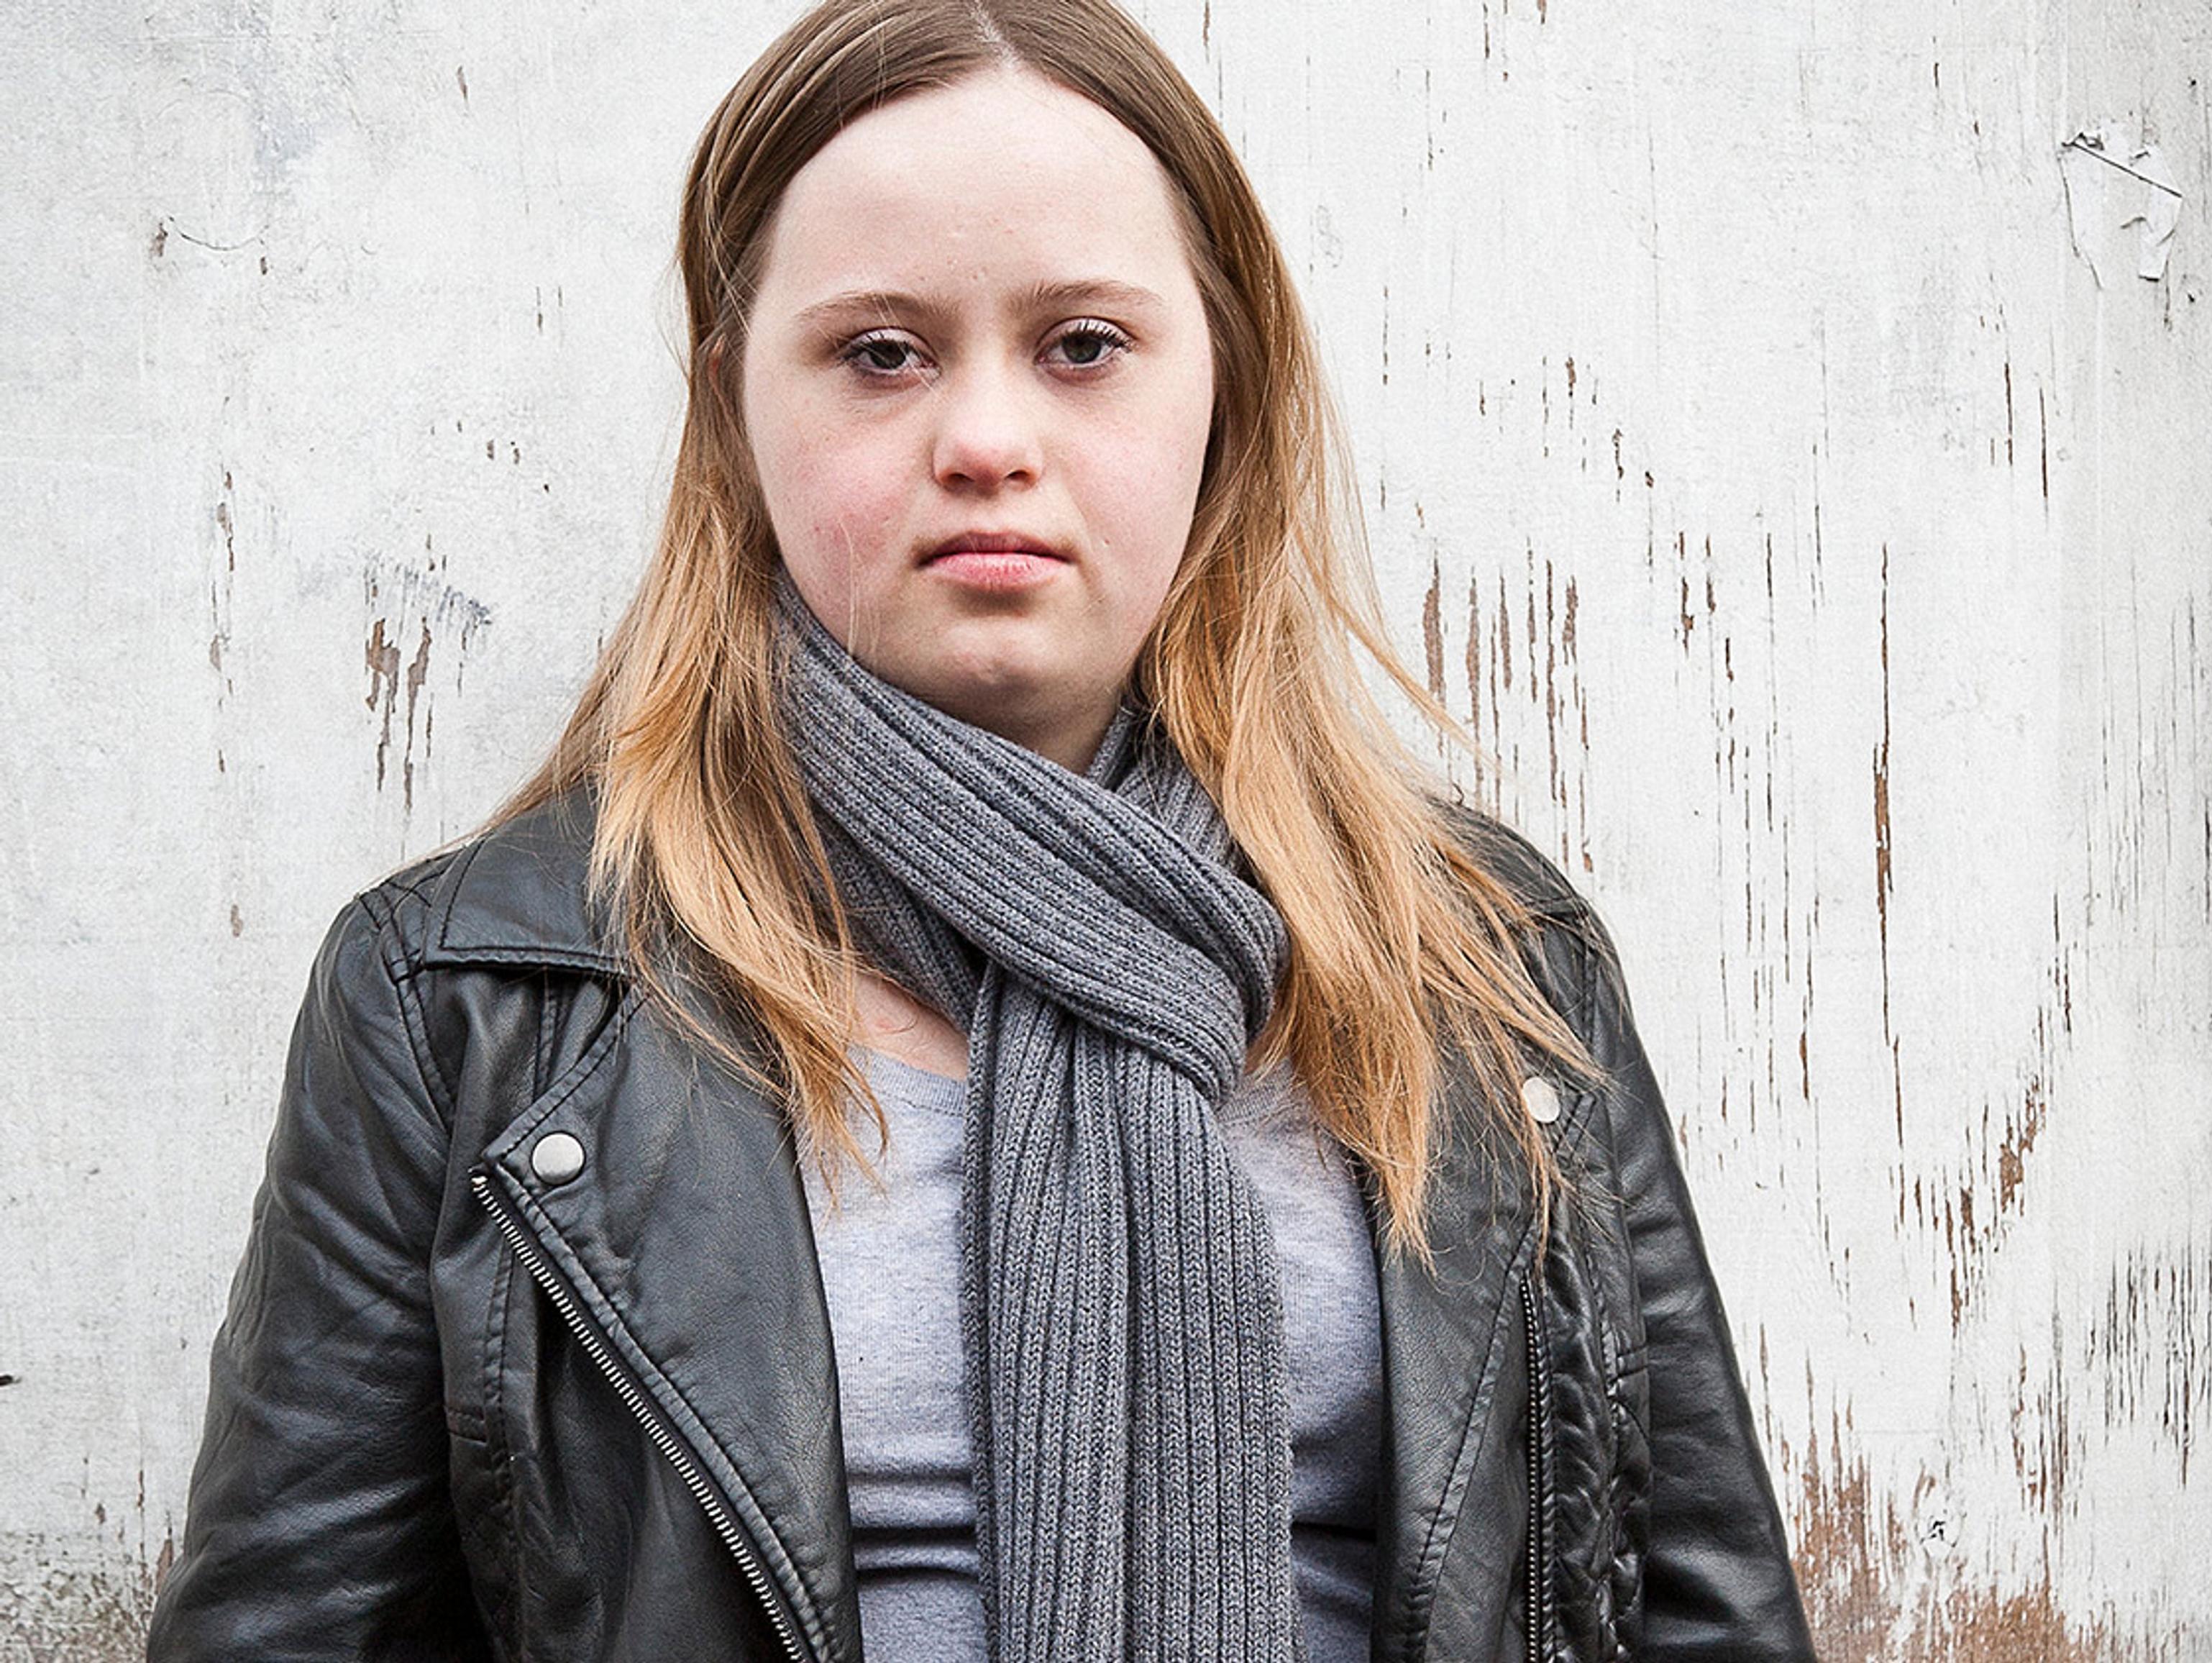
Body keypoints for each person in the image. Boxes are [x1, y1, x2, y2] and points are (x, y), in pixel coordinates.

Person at [145, 1, 1815, 1658]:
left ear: (1221, 386)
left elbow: (1699, 1613)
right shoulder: (470, 1001)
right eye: (881, 352)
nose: (988, 443)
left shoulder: (1489, 969)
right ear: (739, 406)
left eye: (1084, 345)